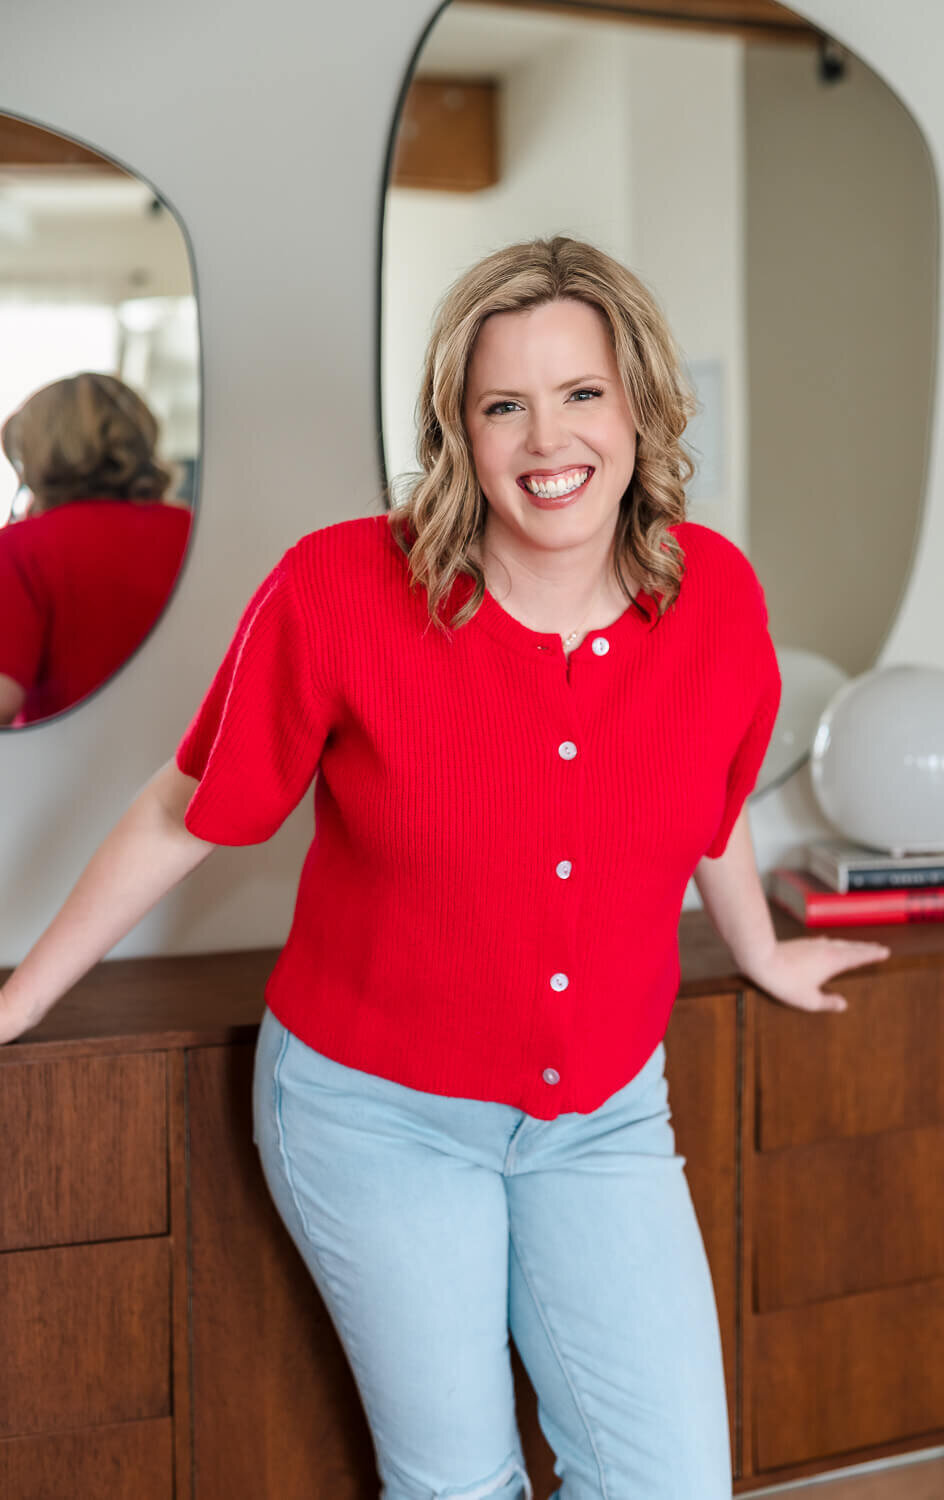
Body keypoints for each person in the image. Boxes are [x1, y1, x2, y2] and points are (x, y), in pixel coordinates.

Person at [0, 237, 890, 1499]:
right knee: (459, 1487)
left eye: (580, 392)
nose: (547, 439)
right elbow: (184, 811)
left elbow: (712, 803)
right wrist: (20, 999)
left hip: (603, 1115)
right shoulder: (337, 588)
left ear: (640, 403)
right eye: (502, 405)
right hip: (377, 1119)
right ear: (457, 431)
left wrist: (760, 950)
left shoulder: (717, 599)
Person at [0, 371, 192, 726]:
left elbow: (2, 698)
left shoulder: (22, 548)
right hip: (193, 756)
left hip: (67, 759)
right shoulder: (194, 531)